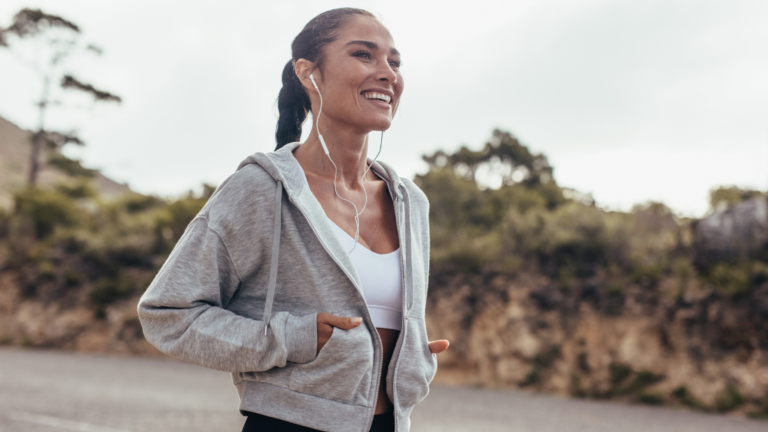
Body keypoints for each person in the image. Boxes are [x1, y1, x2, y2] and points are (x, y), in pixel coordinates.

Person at [137, 7, 448, 432]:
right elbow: (168, 314)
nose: (387, 73)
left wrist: (410, 353)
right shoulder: (262, 189)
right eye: (363, 55)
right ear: (308, 72)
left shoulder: (410, 202)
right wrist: (293, 338)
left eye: (394, 62)